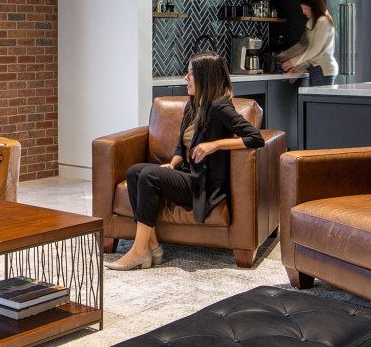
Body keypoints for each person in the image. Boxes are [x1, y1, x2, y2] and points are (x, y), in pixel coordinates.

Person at [107, 51, 264, 271]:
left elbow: (256, 138)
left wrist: (216, 144)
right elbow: (182, 147)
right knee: (135, 172)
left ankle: (139, 249)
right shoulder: (192, 106)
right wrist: (172, 164)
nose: (185, 78)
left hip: (204, 184)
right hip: (188, 174)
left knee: (150, 175)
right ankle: (152, 245)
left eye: (190, 73)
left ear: (205, 77)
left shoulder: (220, 107)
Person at [277, 0, 338, 86]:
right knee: (316, 101)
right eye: (302, 8)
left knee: (319, 100)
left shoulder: (323, 21)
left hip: (323, 69)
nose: (303, 12)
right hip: (317, 69)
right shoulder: (313, 22)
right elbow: (307, 48)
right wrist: (297, 68)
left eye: (305, 8)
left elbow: (315, 50)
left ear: (314, 7)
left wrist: (293, 62)